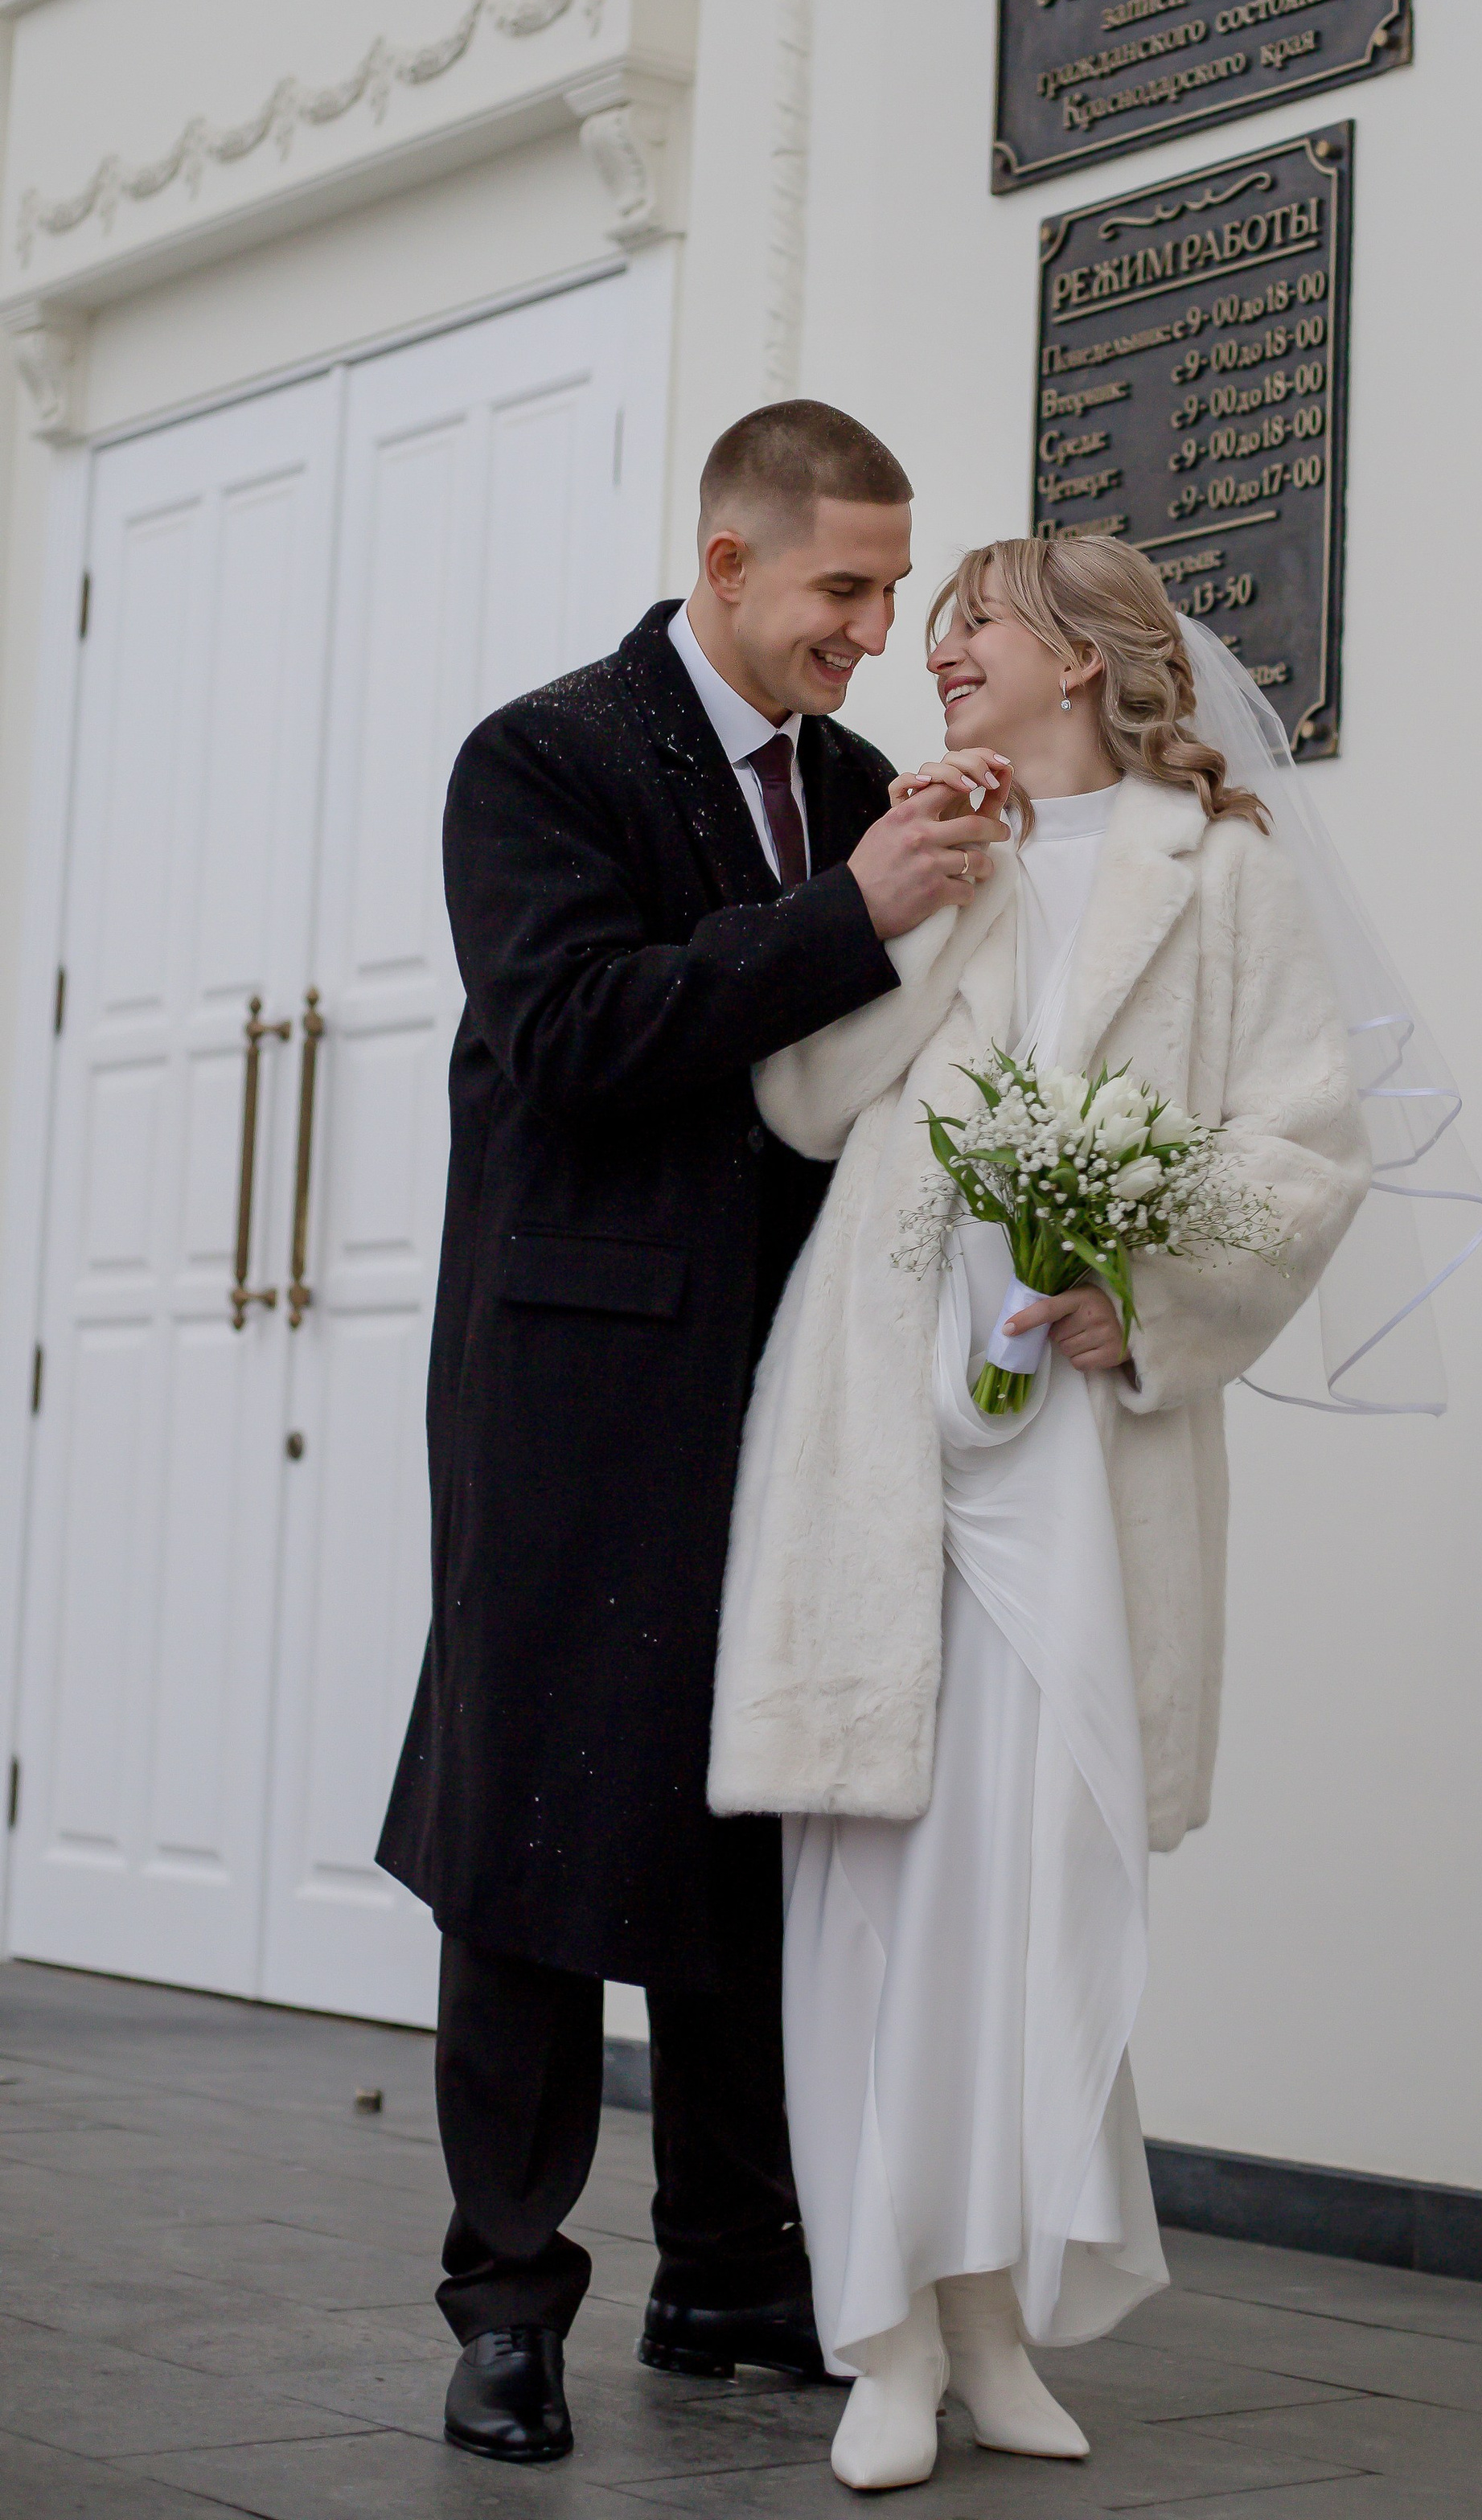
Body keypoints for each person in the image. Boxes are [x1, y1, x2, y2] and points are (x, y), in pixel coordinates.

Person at [708, 535, 1382, 2491]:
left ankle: (993, 2314)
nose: (934, 661)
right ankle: (883, 2340)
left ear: (1081, 657)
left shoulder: (1221, 874)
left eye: (966, 631)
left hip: (1077, 1449)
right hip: (879, 1437)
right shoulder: (937, 854)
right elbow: (812, 1103)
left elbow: (1301, 1147)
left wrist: (1143, 1299)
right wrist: (895, 895)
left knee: (1039, 1871)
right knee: (873, 1890)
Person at [376, 400, 1010, 2468]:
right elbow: (574, 1033)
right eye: (844, 586)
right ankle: (505, 2302)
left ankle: (735, 2271)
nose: (874, 629)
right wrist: (854, 912)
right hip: (572, 1381)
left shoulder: (850, 782)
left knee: (764, 1813)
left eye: (895, 589)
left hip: (801, 1380)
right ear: (726, 564)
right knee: (534, 1836)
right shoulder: (537, 759)